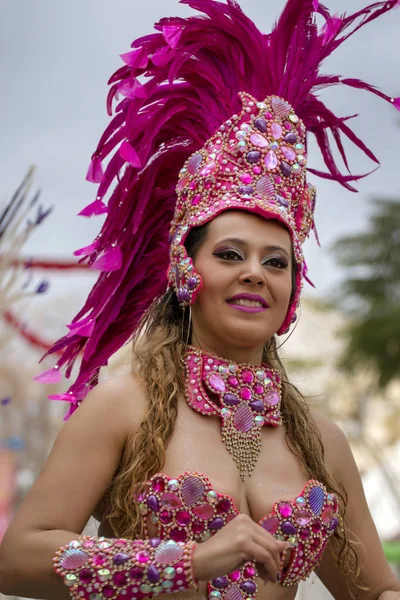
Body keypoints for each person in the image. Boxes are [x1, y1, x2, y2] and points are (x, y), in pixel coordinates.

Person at [0, 0, 399, 599]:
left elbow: (375, 591)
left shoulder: (322, 440)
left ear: (292, 290)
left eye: (276, 262)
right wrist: (185, 561)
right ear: (187, 269)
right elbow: (18, 558)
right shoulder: (122, 407)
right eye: (230, 254)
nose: (255, 275)